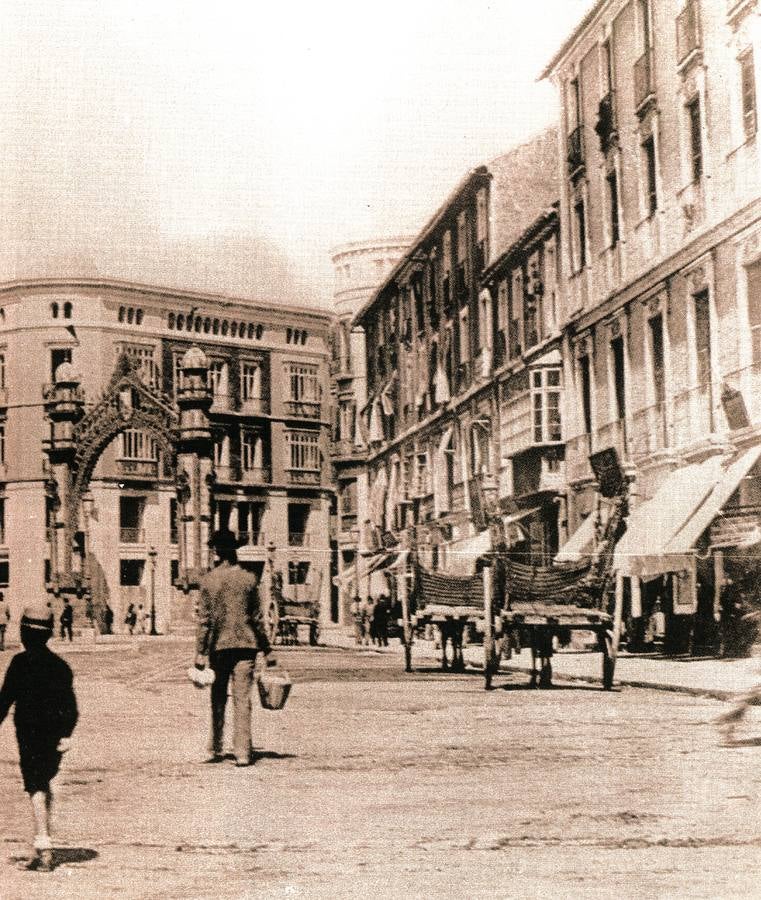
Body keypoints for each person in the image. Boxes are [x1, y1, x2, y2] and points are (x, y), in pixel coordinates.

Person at [0, 603, 78, 872]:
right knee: (43, 785)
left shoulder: (20, 663)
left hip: (29, 734)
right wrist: (66, 734)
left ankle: (44, 849)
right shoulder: (61, 666)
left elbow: (4, 700)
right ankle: (41, 842)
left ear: (23, 633)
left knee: (35, 787)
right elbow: (71, 707)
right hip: (54, 735)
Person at [194, 529, 277, 767]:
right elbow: (257, 620)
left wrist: (200, 652)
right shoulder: (249, 579)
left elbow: (205, 621)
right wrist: (268, 651)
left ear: (216, 552)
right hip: (246, 646)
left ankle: (214, 748)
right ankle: (242, 752)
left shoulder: (208, 581)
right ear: (235, 550)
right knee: (243, 700)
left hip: (218, 648)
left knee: (217, 698)